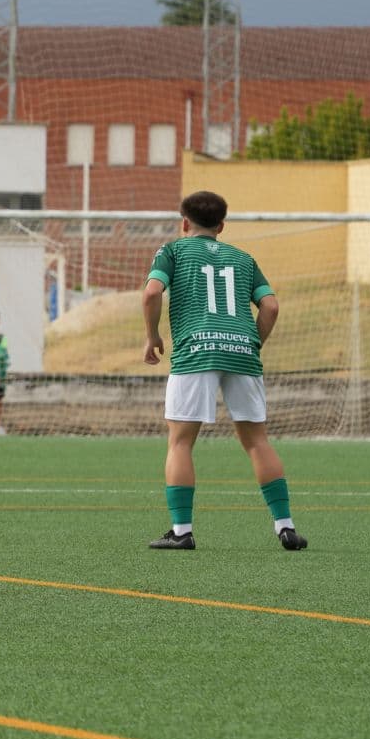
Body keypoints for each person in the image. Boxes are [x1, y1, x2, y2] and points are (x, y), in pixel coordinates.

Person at [140, 190, 307, 553]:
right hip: (242, 351)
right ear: (221, 226)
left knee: (180, 441)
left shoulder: (172, 251)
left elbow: (152, 293)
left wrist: (152, 336)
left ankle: (182, 532)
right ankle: (286, 527)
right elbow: (271, 306)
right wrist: (252, 344)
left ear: (185, 223)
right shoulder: (244, 258)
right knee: (257, 441)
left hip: (195, 351)